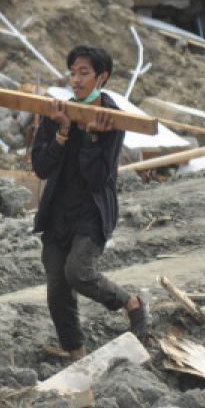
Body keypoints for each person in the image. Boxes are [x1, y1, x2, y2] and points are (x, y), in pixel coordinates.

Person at [31, 45, 149, 361]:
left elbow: (98, 179)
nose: (76, 80)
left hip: (91, 212)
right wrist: (63, 133)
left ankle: (130, 302)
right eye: (73, 73)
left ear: (102, 78)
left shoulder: (111, 121)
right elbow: (41, 167)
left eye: (84, 73)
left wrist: (93, 138)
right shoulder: (58, 113)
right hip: (57, 211)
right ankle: (77, 355)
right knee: (57, 287)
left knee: (78, 272)